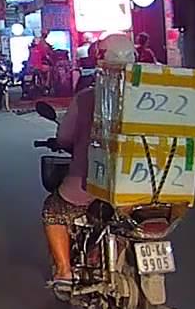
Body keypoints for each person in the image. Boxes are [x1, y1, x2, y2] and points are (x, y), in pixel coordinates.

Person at [41, 33, 136, 293]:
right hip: (142, 190)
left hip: (92, 188)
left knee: (53, 211)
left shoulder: (86, 98)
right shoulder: (146, 98)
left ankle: (64, 271)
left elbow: (65, 137)